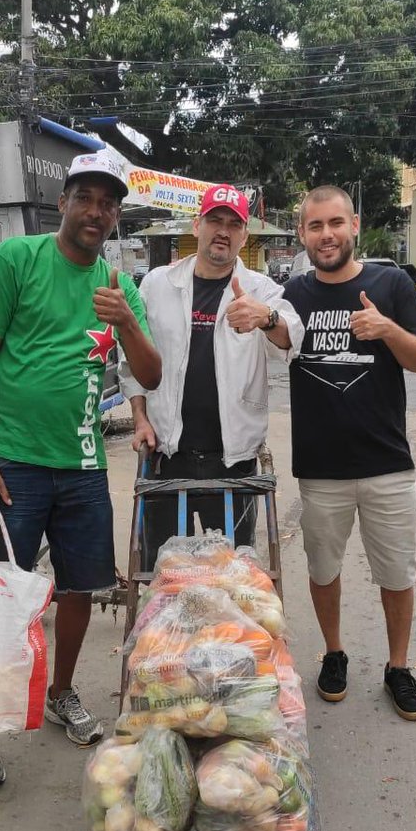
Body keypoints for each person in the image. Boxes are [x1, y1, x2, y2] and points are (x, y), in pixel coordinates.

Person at [0, 150, 162, 787]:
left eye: (109, 204)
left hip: (83, 465)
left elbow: (151, 373)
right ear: (63, 202)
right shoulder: (16, 261)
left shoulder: (117, 286)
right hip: (12, 465)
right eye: (87, 198)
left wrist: (126, 321)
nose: (97, 212)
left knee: (79, 589)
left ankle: (61, 692)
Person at [282, 185, 416, 719]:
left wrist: (387, 328)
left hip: (386, 463)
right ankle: (334, 653)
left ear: (354, 225)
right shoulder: (294, 294)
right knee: (323, 569)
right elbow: (275, 336)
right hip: (320, 468)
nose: (326, 235)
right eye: (315, 226)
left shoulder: (391, 284)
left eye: (335, 223)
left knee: (397, 573)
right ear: (302, 234)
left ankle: (399, 667)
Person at [120, 184, 302, 567]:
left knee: (232, 576)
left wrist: (266, 318)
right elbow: (131, 355)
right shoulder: (158, 284)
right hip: (166, 457)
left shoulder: (260, 290)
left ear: (244, 236)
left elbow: (291, 338)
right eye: (215, 220)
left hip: (233, 461)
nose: (223, 231)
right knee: (163, 575)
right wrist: (139, 417)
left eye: (233, 225)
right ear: (196, 226)